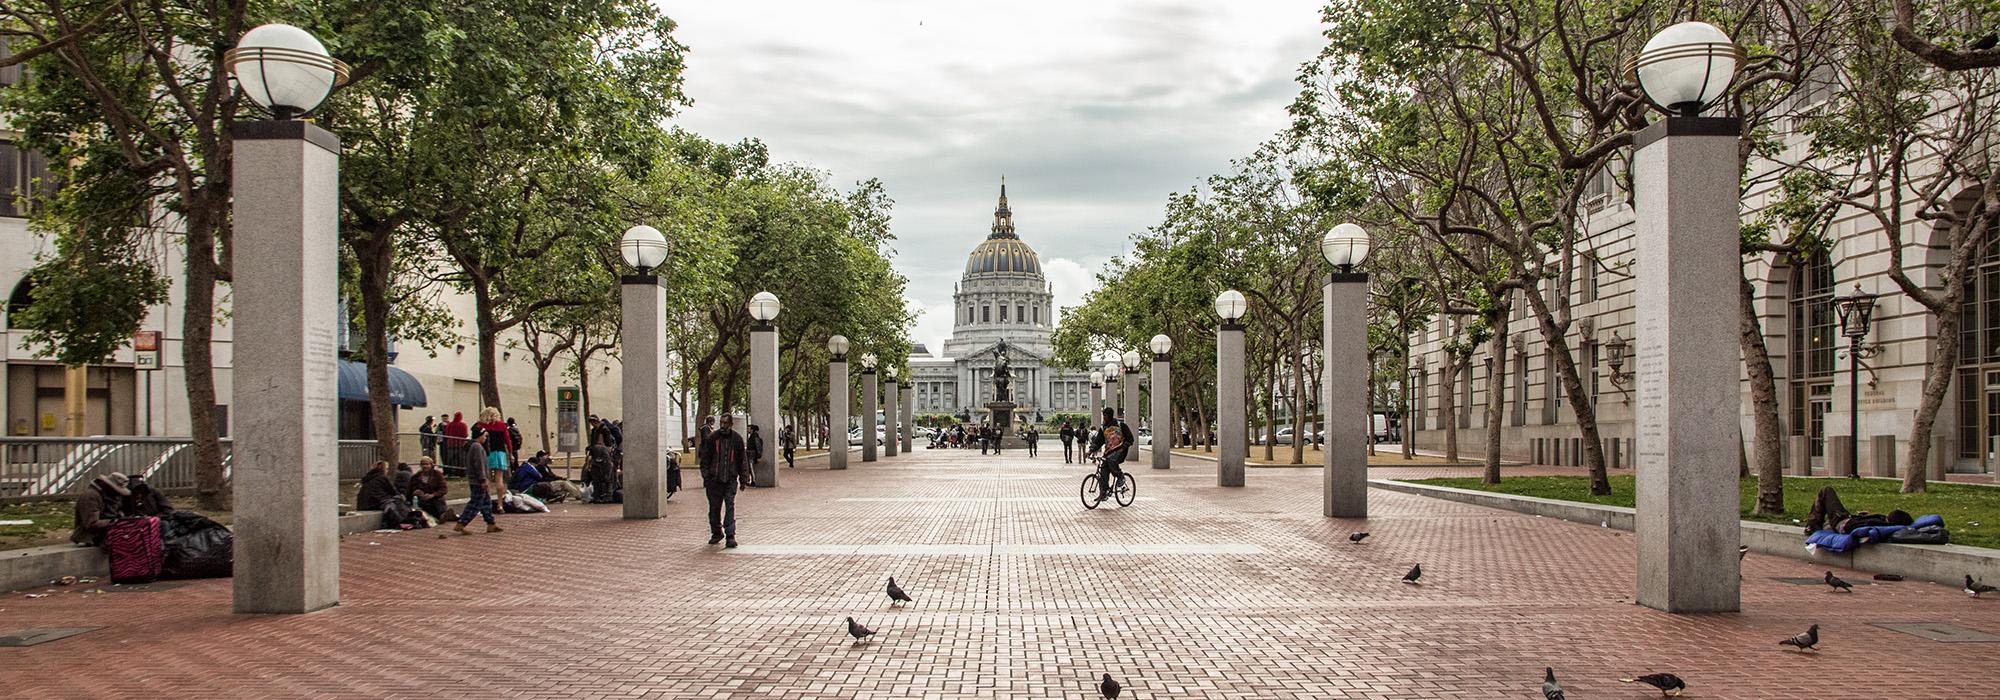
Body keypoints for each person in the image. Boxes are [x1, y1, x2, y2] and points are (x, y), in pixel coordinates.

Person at [701, 414, 749, 548]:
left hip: (730, 480)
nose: (722, 426)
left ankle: (730, 535)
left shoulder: (737, 439)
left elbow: (742, 460)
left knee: (730, 506)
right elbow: (705, 458)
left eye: (725, 423)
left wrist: (744, 478)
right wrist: (706, 475)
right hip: (714, 481)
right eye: (721, 423)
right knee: (714, 509)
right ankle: (717, 532)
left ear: (731, 424)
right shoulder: (713, 438)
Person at [454, 441, 502, 535]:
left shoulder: (473, 446)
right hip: (478, 481)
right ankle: (462, 523)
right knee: (475, 503)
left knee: (486, 502)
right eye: (484, 436)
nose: (485, 438)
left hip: (476, 480)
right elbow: (479, 464)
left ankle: (491, 523)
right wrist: (483, 479)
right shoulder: (477, 447)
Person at [72, 472, 130, 546]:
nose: (117, 494)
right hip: (89, 536)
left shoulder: (110, 496)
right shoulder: (91, 496)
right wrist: (117, 522)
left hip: (106, 532)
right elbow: (91, 523)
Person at [1091, 408, 1136, 503]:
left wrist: (1124, 446)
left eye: (1106, 415)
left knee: (1111, 461)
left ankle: (1120, 476)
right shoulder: (1103, 428)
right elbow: (1098, 442)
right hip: (1109, 452)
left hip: (1120, 451)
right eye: (1104, 415)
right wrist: (1091, 450)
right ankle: (1103, 493)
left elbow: (1130, 439)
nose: (1104, 417)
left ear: (1110, 415)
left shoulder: (1121, 425)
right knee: (1103, 471)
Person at [744, 424, 764, 489]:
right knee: (749, 467)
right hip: (750, 453)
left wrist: (758, 455)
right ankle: (750, 480)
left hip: (751, 454)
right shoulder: (753, 436)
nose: (748, 430)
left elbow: (757, 446)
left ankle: (753, 481)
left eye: (749, 428)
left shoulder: (754, 436)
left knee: (751, 467)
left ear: (752, 429)